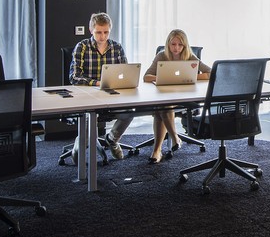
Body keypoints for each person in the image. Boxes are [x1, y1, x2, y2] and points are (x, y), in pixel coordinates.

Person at [68, 12, 134, 160]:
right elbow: (74, 77)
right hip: (87, 96)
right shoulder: (82, 47)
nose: (102, 36)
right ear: (91, 30)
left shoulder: (117, 47)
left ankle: (112, 139)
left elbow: (126, 73)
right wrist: (98, 83)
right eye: (98, 32)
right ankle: (80, 144)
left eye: (106, 32)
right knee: (85, 134)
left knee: (129, 112)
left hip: (111, 94)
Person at [142, 28, 208, 164]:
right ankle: (175, 138)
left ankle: (158, 150)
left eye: (180, 45)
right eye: (173, 44)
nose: (176, 48)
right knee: (162, 107)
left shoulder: (190, 57)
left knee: (162, 108)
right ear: (168, 44)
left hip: (184, 96)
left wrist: (190, 76)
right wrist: (162, 77)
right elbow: (146, 77)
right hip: (164, 95)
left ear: (184, 45)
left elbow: (210, 72)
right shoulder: (161, 56)